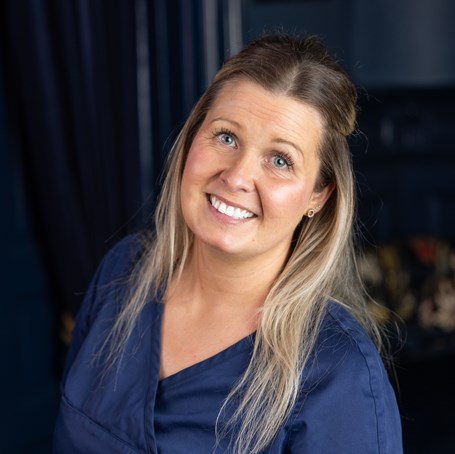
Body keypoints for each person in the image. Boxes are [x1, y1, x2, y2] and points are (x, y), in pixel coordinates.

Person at [54, 34, 403, 453]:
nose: (237, 177)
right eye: (226, 137)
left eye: (280, 160)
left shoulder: (341, 375)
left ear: (318, 196)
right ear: (191, 139)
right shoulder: (122, 271)